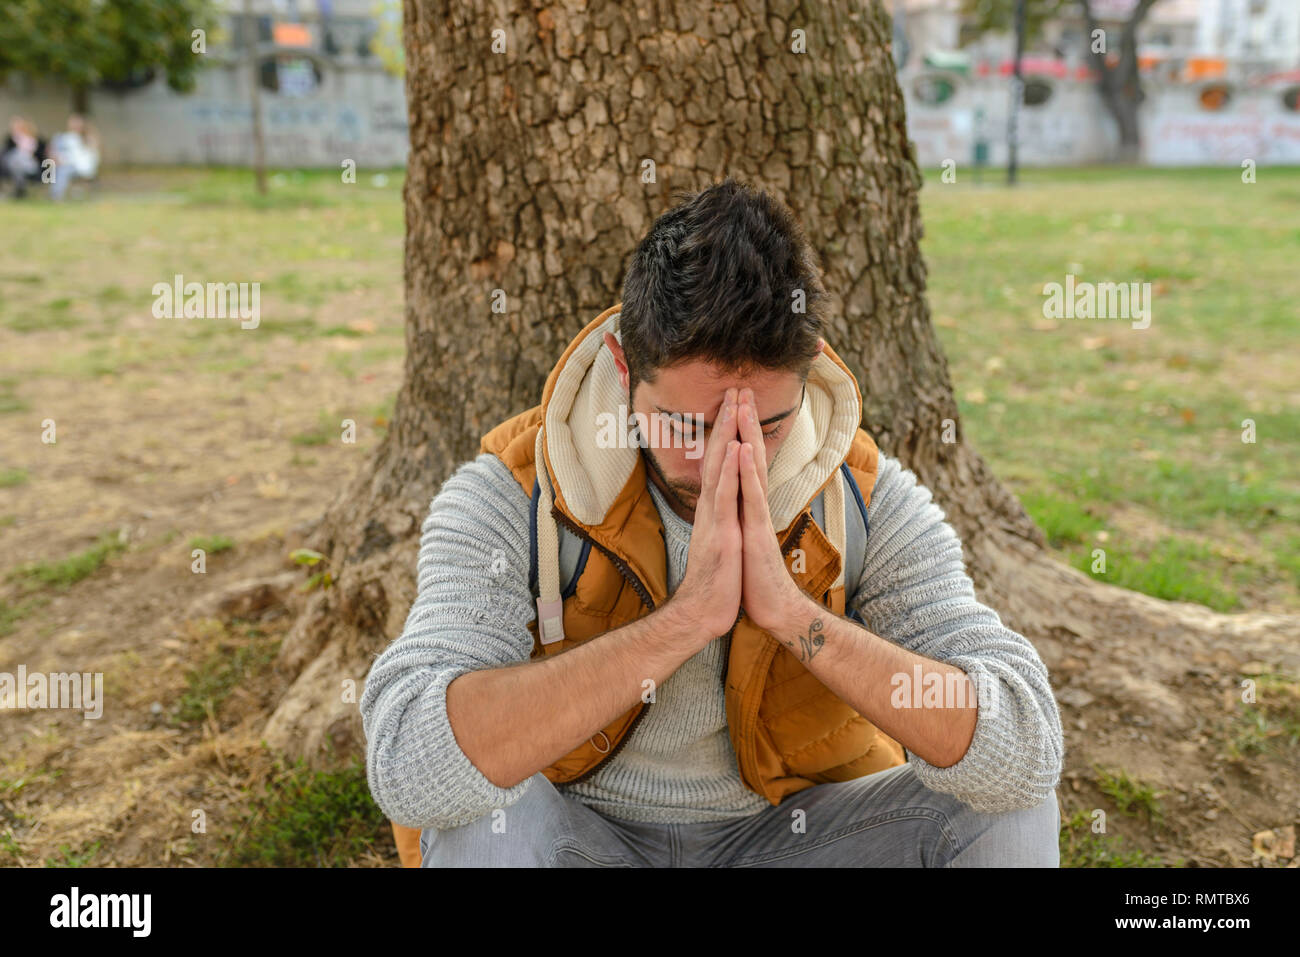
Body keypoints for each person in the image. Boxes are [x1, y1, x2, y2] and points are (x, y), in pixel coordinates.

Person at [361, 178, 1064, 868]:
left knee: (1002, 799)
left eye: (771, 423)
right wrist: (685, 620)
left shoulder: (861, 494)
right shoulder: (512, 491)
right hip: (582, 838)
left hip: (789, 838)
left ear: (809, 373)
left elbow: (1024, 746)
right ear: (624, 365)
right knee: (484, 817)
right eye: (686, 424)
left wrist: (792, 615)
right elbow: (410, 761)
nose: (725, 456)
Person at [48, 114, 99, 201]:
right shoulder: (63, 137)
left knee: (63, 170)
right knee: (57, 168)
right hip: (64, 163)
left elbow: (91, 156)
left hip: (81, 167)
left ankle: (56, 196)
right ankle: (56, 194)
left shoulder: (87, 139)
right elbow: (54, 153)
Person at [1, 116, 45, 198]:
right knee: (15, 158)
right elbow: (5, 155)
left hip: (28, 164)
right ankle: (20, 189)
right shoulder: (9, 140)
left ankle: (20, 189)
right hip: (13, 166)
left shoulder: (32, 139)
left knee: (17, 157)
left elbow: (35, 154)